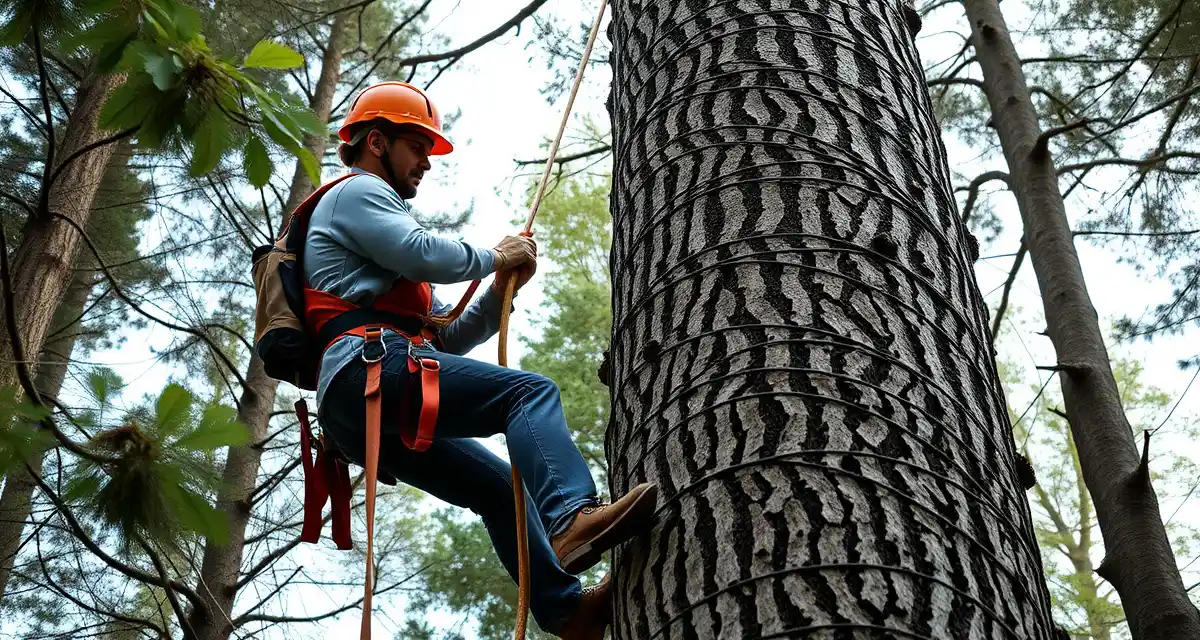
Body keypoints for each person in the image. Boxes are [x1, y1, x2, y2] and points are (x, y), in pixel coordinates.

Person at [305, 81, 658, 639]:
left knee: (496, 488)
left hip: (367, 389)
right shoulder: (358, 194)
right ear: (376, 141)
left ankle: (568, 614)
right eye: (417, 146)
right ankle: (571, 515)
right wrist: (493, 254)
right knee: (527, 393)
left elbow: (447, 337)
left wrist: (500, 287)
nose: (426, 162)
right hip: (368, 366)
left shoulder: (383, 265)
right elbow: (424, 251)